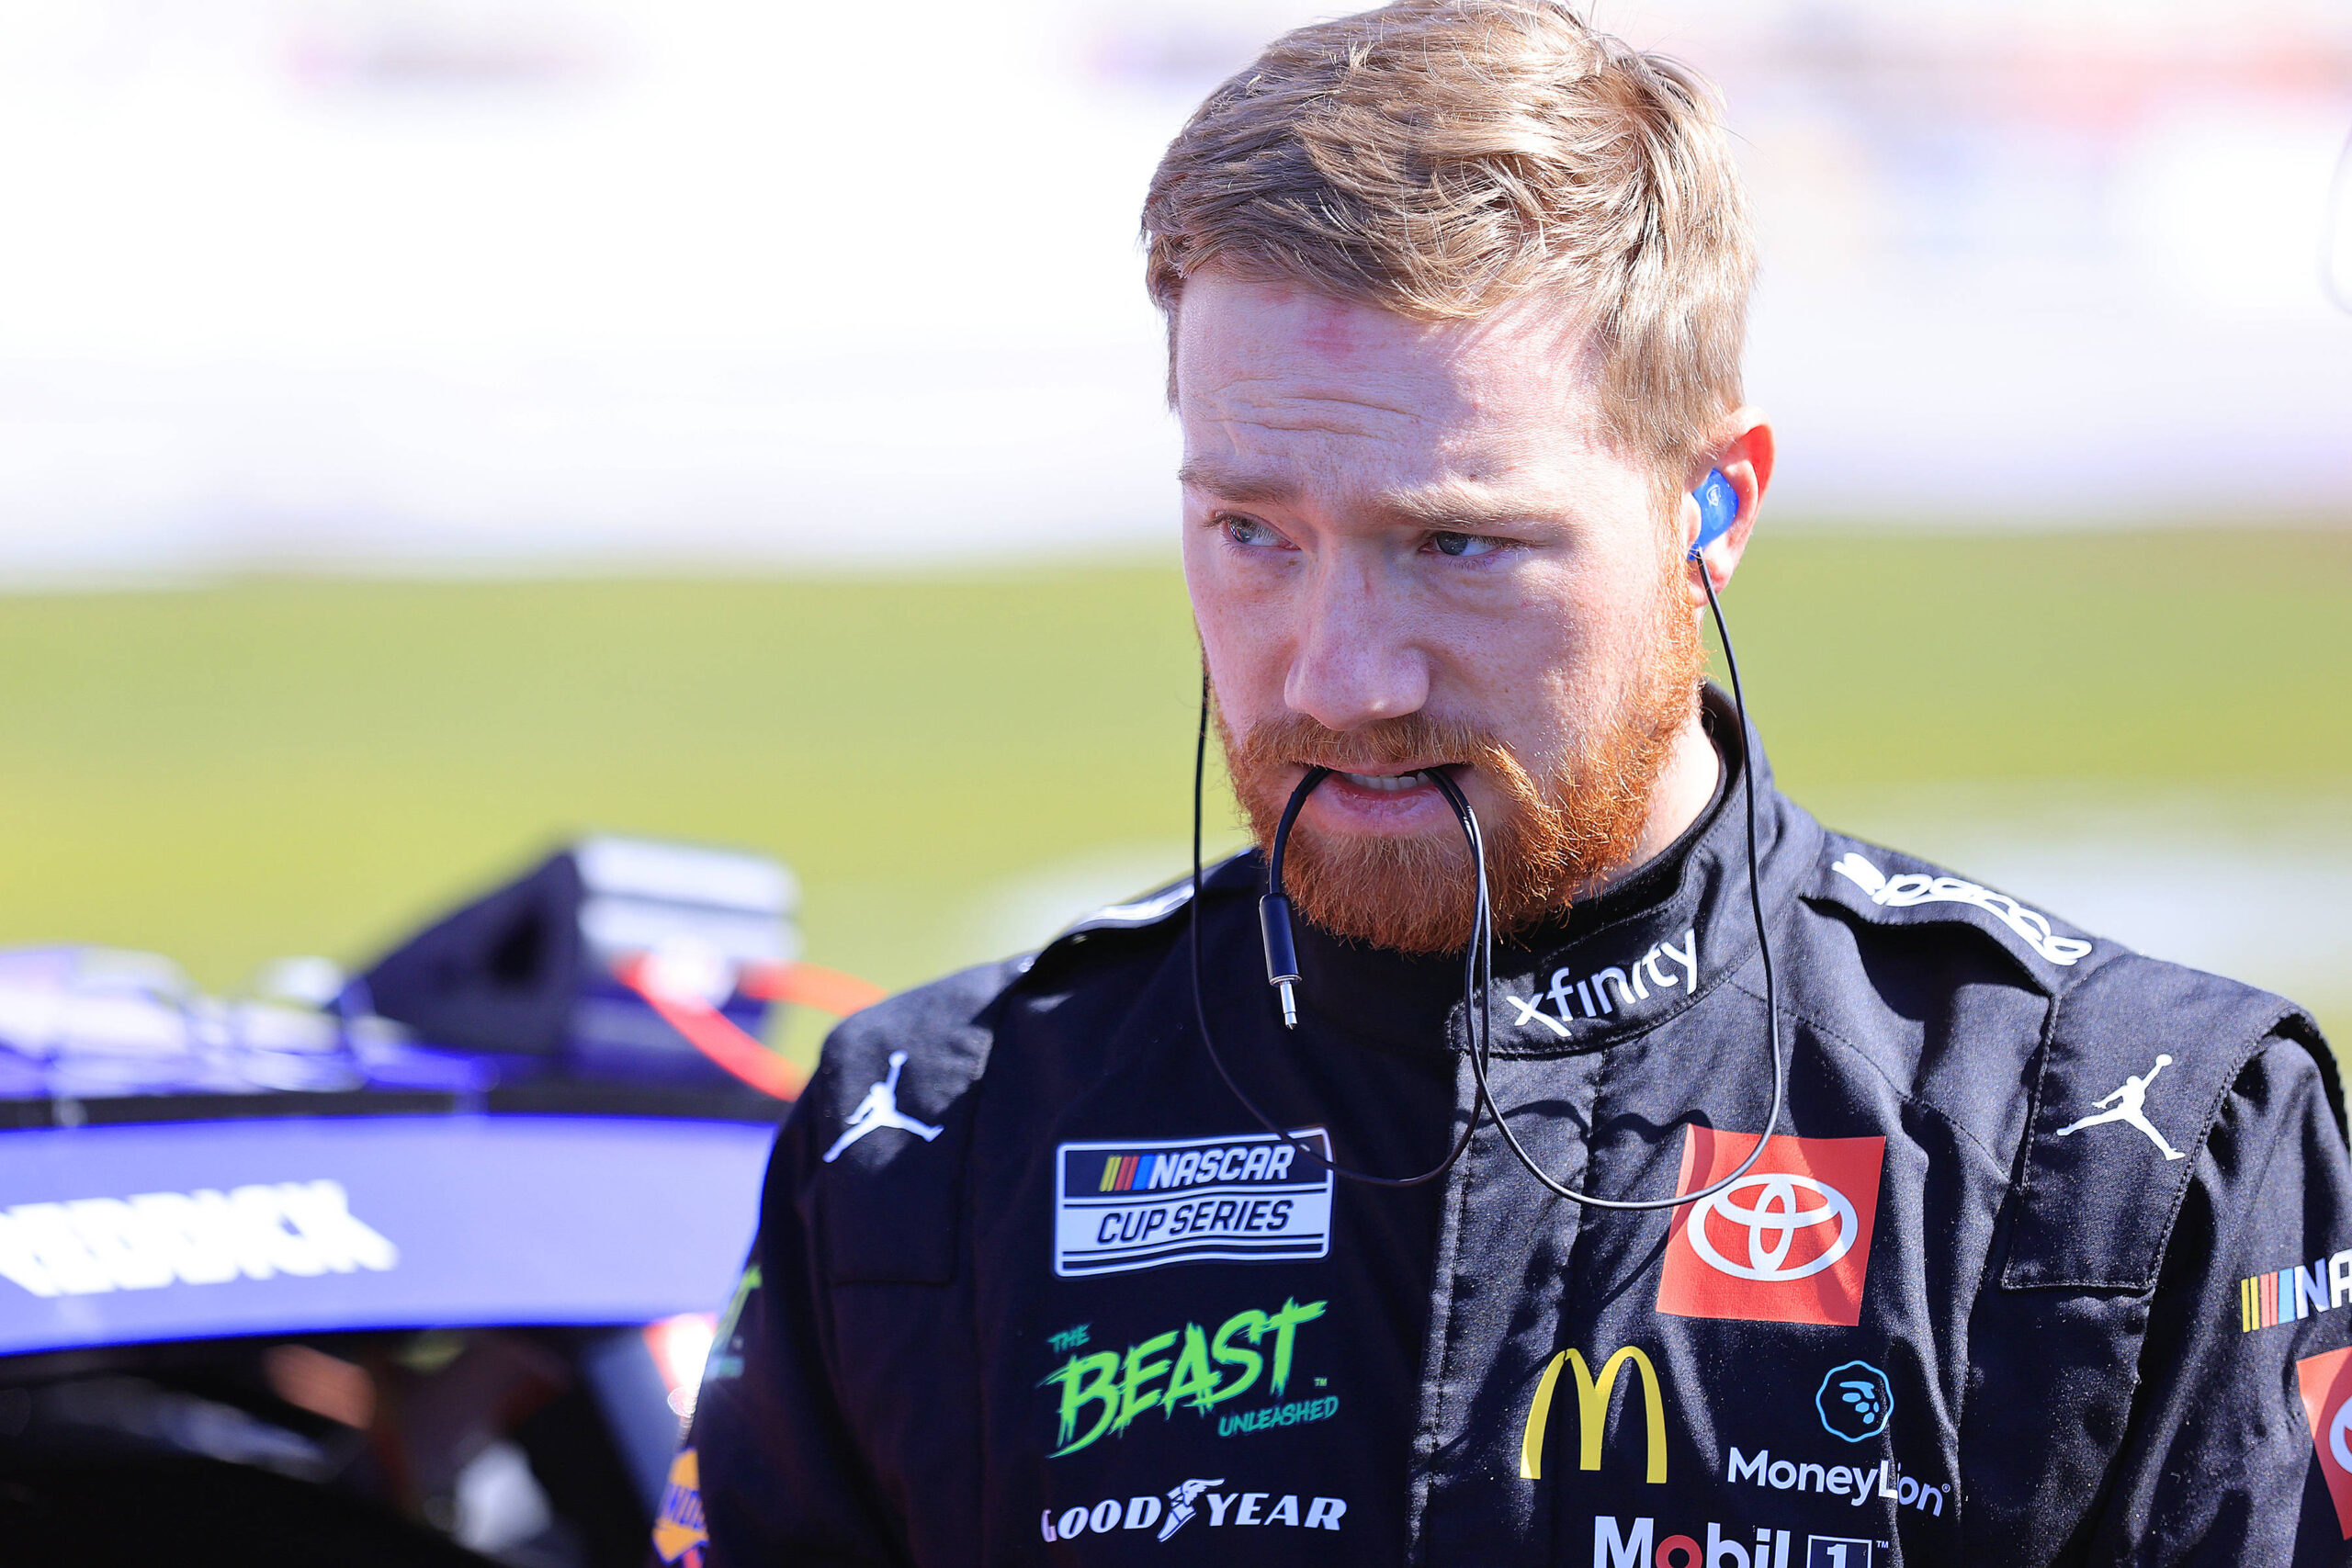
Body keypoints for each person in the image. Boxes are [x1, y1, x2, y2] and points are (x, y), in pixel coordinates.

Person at [673, 3, 2352, 1563]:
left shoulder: (2130, 1139)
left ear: (1714, 509)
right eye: (1251, 530)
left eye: (1460, 540)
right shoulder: (925, 1144)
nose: (1338, 677)